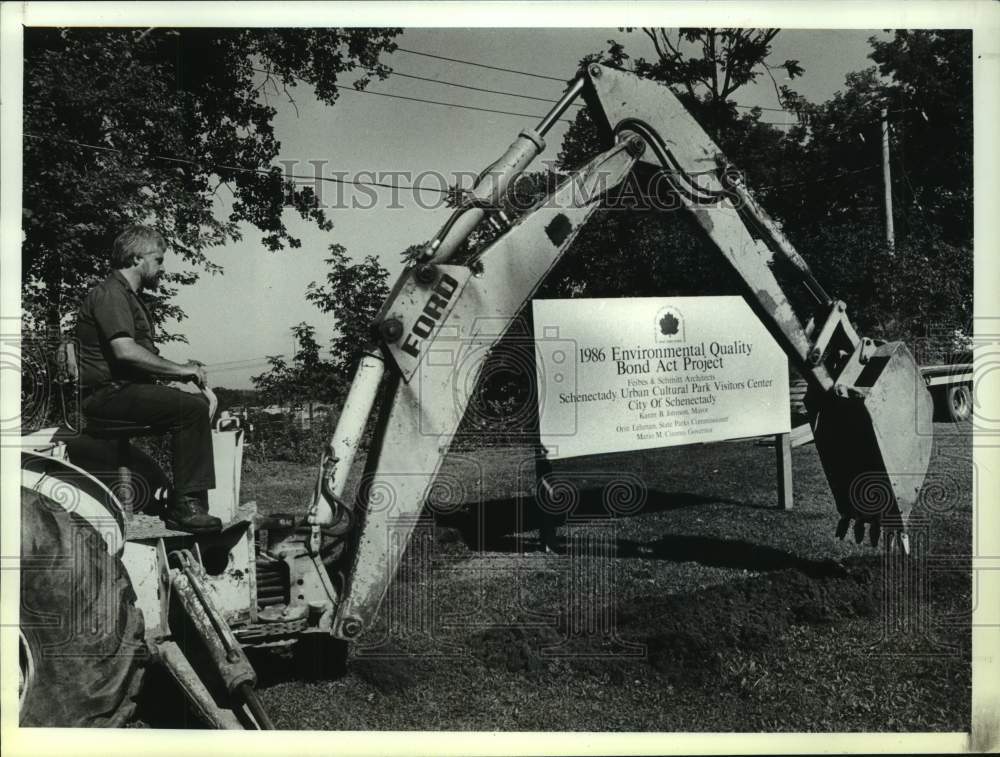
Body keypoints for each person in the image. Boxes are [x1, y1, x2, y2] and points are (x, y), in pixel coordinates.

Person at [75, 225, 221, 533]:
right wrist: (183, 370)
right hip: (107, 396)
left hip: (122, 391)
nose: (162, 267)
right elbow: (124, 351)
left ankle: (186, 499)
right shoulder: (111, 294)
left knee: (188, 404)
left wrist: (181, 370)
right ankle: (186, 507)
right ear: (136, 258)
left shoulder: (126, 296)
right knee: (191, 409)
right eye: (158, 259)